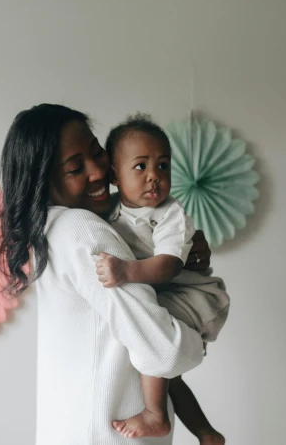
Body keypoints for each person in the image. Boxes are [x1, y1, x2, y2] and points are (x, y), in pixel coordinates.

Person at [0, 104, 211, 445]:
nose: (98, 171)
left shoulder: (51, 231)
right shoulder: (84, 230)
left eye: (97, 153)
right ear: (45, 181)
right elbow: (167, 352)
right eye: (75, 167)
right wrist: (197, 335)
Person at [96, 114, 230, 444]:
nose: (154, 177)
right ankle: (208, 434)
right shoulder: (110, 211)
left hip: (191, 295)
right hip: (169, 295)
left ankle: (156, 415)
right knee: (172, 378)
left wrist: (127, 272)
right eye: (141, 167)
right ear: (115, 175)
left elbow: (169, 265)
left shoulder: (170, 214)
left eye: (163, 166)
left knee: (153, 344)